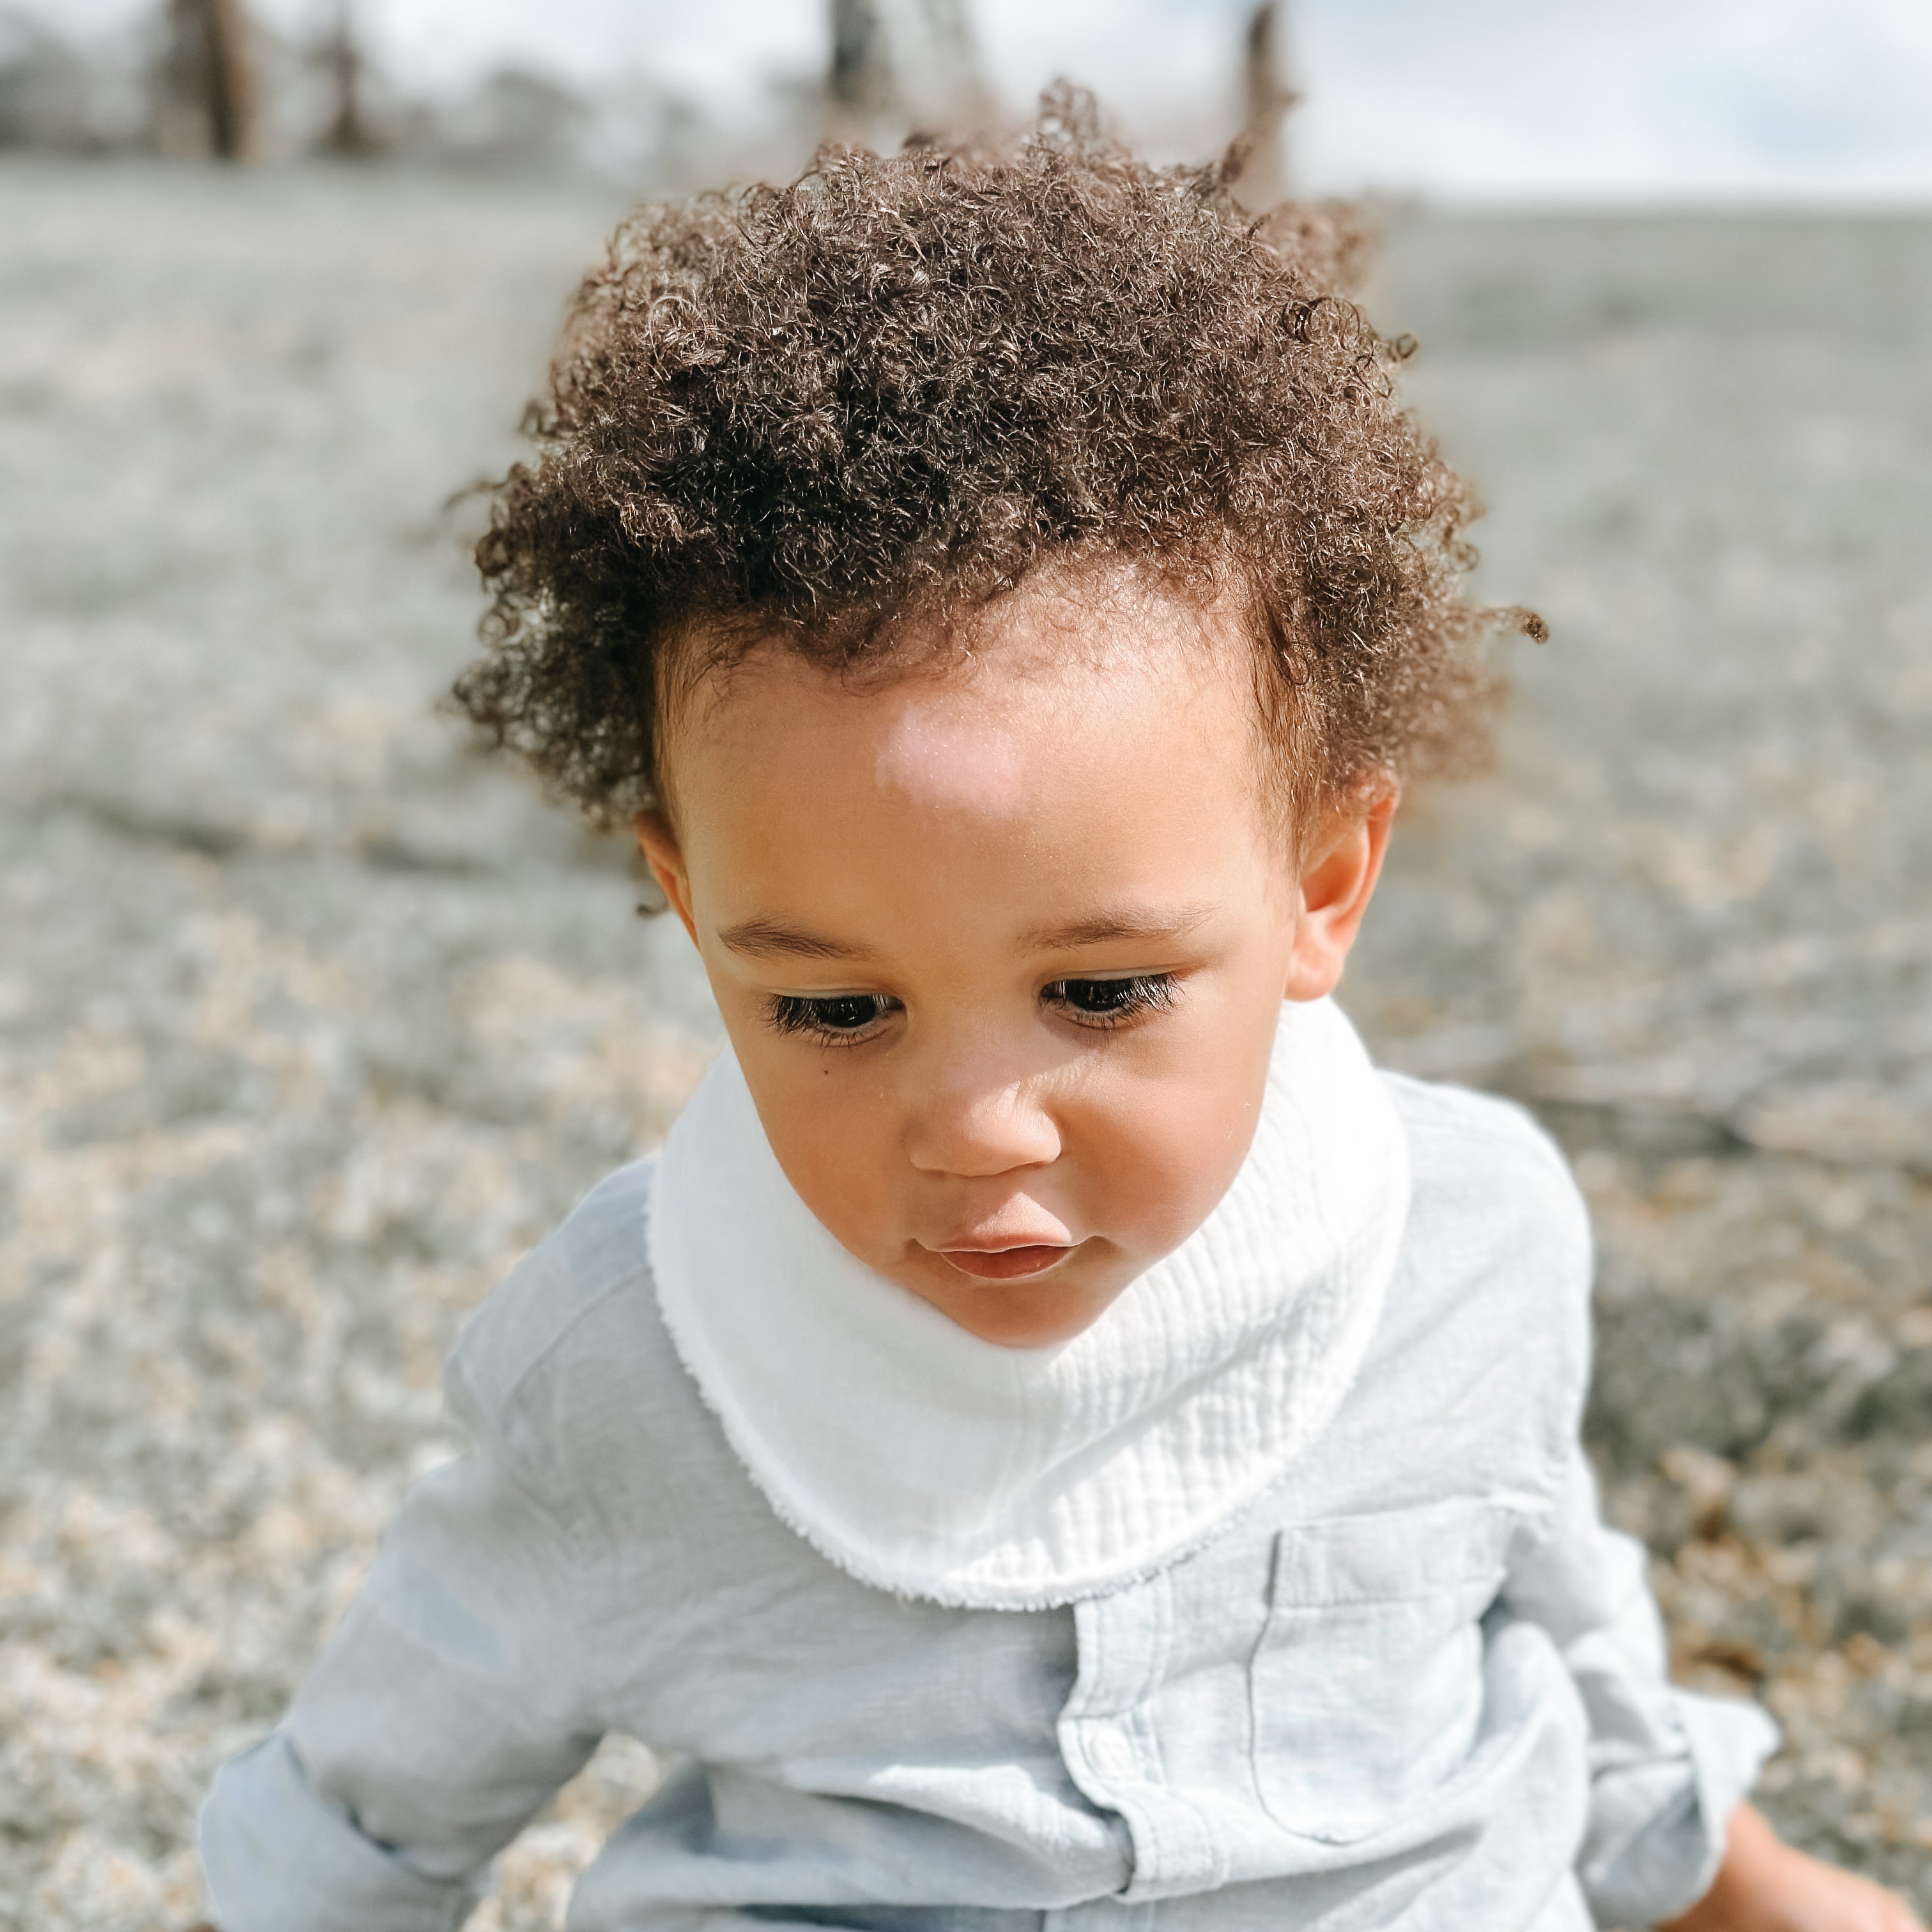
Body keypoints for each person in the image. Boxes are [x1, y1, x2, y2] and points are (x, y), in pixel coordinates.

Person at [198, 95, 1921, 1932]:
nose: (978, 1125)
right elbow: (357, 1827)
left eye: (1101, 990)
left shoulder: (1467, 1238)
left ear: (1323, 886)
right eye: (836, 1005)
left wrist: (1747, 1889)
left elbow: (1573, 1653)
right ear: (693, 911)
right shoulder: (633, 1367)